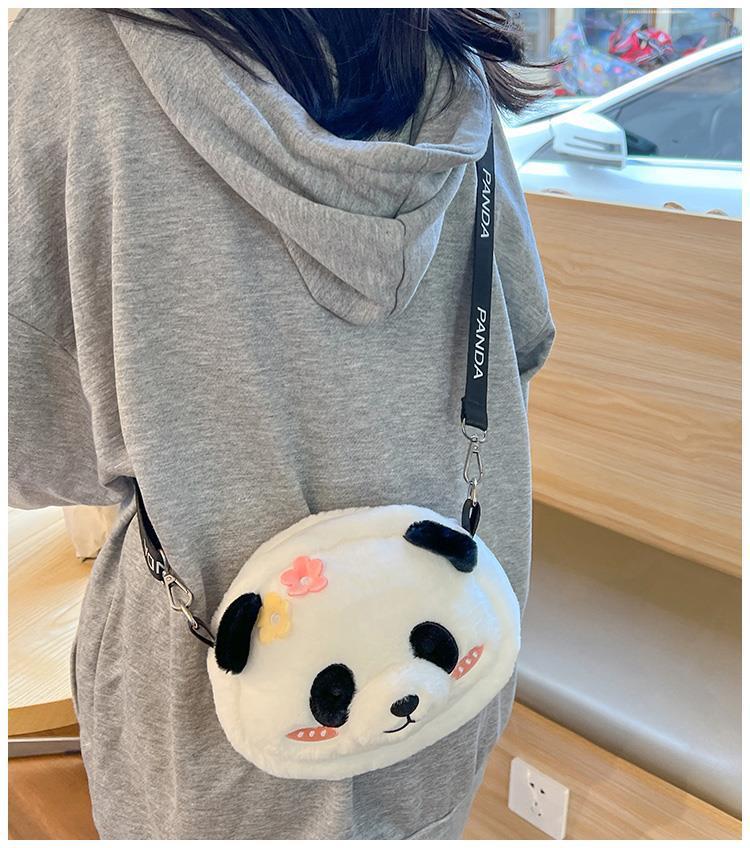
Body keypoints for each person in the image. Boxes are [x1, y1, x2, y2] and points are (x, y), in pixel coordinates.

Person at [8, 8, 555, 839]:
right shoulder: (448, 66)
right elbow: (522, 342)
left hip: (210, 735)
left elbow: (32, 442)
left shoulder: (72, 53)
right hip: (447, 676)